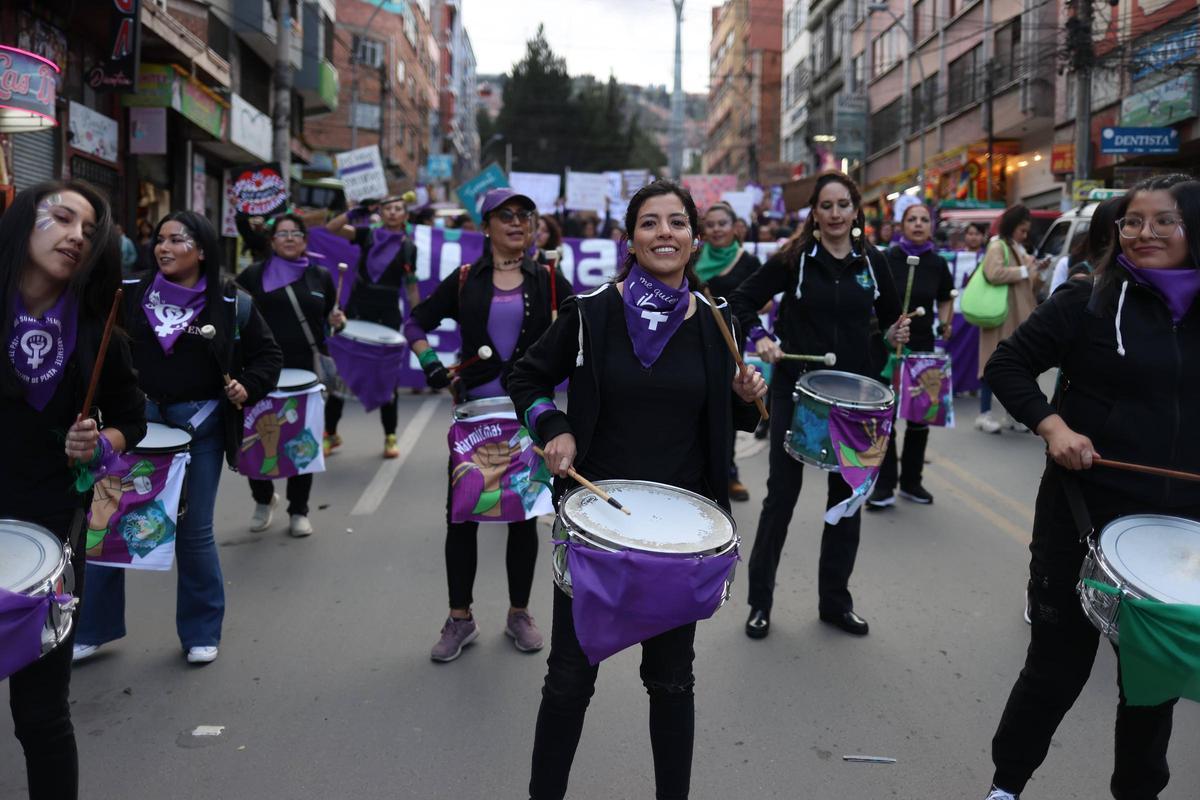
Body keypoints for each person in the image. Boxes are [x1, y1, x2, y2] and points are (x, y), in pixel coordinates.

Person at [508, 179, 766, 800]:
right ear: (629, 238)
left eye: (678, 223)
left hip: (679, 538)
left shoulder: (714, 323)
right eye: (650, 223)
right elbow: (526, 378)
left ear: (695, 238)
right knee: (570, 679)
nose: (665, 234)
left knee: (672, 681)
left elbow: (736, 419)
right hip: (596, 526)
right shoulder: (591, 312)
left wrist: (748, 400)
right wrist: (555, 427)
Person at [981, 175, 1200, 800]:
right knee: (1054, 670)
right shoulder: (1086, 300)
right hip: (1081, 520)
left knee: (1151, 686)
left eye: (1166, 221)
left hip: (1177, 536)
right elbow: (1008, 365)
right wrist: (1054, 427)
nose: (1146, 233)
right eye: (1133, 221)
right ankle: (1006, 786)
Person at [74, 210, 282, 665]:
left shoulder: (230, 302)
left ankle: (201, 632)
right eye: (160, 239)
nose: (163, 248)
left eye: (177, 240)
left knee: (194, 532)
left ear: (203, 249)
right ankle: (92, 629)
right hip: (129, 428)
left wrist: (247, 385)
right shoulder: (128, 294)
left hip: (200, 431)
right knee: (106, 524)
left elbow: (268, 357)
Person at [1, 180, 147, 800]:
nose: (75, 236)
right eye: (61, 218)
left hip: (52, 537)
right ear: (20, 225)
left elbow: (131, 416)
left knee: (40, 716)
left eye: (88, 231)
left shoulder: (97, 331)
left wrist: (102, 443)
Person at [730, 171, 908, 639]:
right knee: (781, 500)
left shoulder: (874, 263)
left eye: (842, 206)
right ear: (815, 213)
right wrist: (762, 337)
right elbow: (742, 300)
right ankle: (760, 603)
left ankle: (835, 603)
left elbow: (891, 324)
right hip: (799, 394)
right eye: (825, 206)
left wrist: (895, 336)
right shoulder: (794, 259)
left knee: (846, 502)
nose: (834, 214)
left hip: (856, 402)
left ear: (855, 212)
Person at [403, 188, 573, 662]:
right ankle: (460, 618)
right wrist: (432, 364)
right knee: (462, 517)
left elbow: (585, 330)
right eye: (506, 215)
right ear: (486, 226)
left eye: (525, 215)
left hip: (526, 417)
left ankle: (519, 613)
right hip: (475, 416)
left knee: (522, 519)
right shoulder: (464, 281)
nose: (517, 223)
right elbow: (415, 323)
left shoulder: (549, 281)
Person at [235, 214, 341, 537]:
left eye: (296, 233)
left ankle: (299, 510)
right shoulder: (253, 275)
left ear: (305, 241)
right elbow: (235, 316)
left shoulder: (321, 276)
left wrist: (339, 320)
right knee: (257, 440)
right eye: (283, 234)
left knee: (301, 443)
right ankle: (264, 499)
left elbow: (330, 321)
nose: (290, 238)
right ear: (272, 241)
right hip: (260, 372)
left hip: (306, 374)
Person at [867, 202, 954, 509]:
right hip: (888, 346)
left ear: (931, 226)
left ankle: (912, 482)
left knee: (920, 418)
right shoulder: (885, 258)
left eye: (923, 220)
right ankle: (885, 486)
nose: (918, 224)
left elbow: (945, 299)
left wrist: (946, 322)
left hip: (923, 349)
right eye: (911, 219)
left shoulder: (938, 263)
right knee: (886, 417)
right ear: (901, 225)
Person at [325, 194, 420, 458]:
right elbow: (332, 227)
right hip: (355, 311)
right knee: (342, 374)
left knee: (386, 378)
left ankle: (390, 436)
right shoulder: (367, 235)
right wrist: (356, 211)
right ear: (382, 211)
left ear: (405, 215)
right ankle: (330, 434)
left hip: (387, 316)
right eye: (387, 208)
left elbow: (411, 286)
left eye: (398, 208)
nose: (392, 212)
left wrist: (417, 319)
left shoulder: (409, 247)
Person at [698, 200, 764, 502]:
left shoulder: (748, 261)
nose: (716, 229)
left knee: (728, 411)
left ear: (735, 227)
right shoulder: (693, 257)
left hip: (731, 346)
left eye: (721, 223)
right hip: (696, 342)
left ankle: (728, 473)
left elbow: (764, 301)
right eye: (710, 225)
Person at [975, 204, 1042, 434]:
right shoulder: (997, 246)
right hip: (1000, 316)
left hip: (1017, 316)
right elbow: (993, 274)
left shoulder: (1017, 247)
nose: (1025, 235)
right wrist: (1024, 271)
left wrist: (1035, 269)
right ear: (1012, 227)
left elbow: (1029, 281)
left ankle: (1011, 415)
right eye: (1022, 230)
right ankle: (985, 414)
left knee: (1015, 366)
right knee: (990, 365)